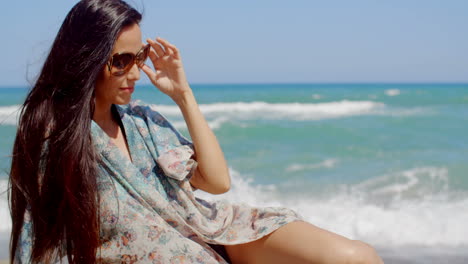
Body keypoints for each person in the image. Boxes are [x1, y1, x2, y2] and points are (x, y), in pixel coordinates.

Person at [8, 0, 384, 263]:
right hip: (163, 252)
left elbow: (217, 182)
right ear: (85, 59)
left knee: (357, 257)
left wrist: (184, 95)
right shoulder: (53, 134)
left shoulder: (142, 122)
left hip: (210, 228)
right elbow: (40, 239)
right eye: (121, 62)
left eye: (138, 58)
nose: (136, 74)